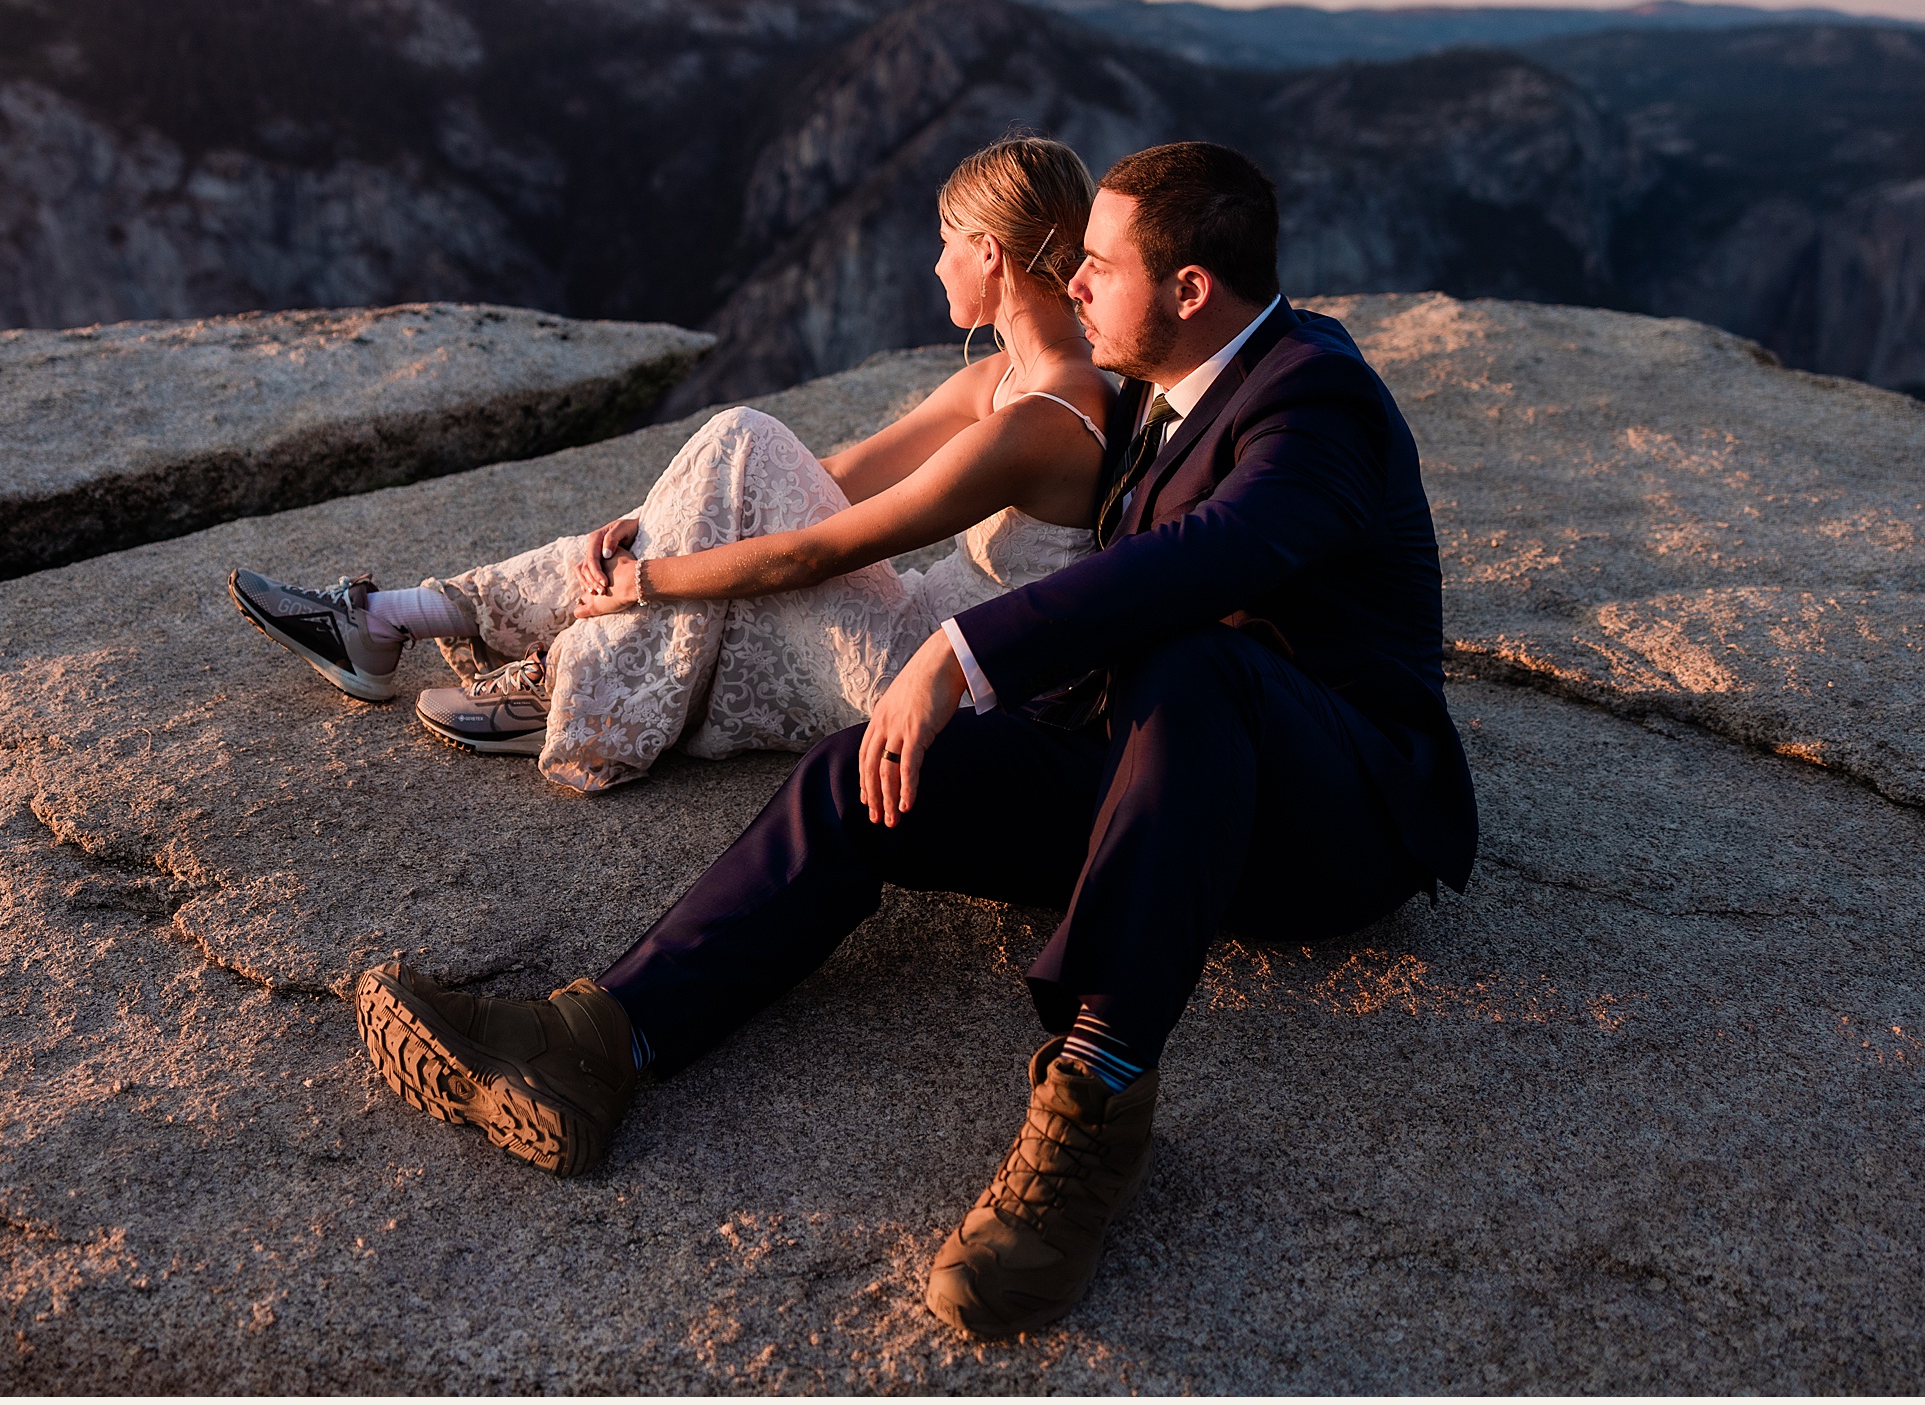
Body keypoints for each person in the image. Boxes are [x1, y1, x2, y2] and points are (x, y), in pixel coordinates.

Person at [348, 140, 1480, 1339]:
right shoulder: (1155, 385)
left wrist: (961, 650)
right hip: (1155, 782)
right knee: (861, 777)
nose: (1073, 282)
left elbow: (1205, 562)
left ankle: (1092, 1101)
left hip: (1328, 820)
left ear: (1192, 289)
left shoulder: (1317, 398)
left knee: (1206, 656)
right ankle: (600, 1039)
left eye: (1097, 263)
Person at [228, 135, 1118, 793]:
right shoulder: (1007, 376)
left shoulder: (1042, 418)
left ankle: (569, 689)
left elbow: (826, 549)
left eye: (947, 242)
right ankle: (401, 619)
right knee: (740, 458)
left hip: (930, 681)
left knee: (743, 439)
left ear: (991, 254)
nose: (935, 263)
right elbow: (833, 477)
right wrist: (659, 516)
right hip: (912, 635)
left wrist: (651, 578)